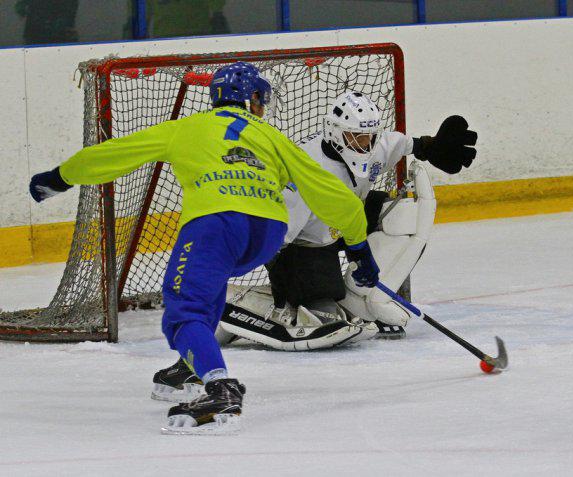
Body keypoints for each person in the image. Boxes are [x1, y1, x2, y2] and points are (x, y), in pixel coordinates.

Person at [29, 62, 379, 435]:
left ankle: (219, 387)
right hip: (267, 234)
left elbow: (115, 153)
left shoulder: (188, 128)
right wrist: (359, 249)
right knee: (207, 289)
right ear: (254, 99)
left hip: (215, 224)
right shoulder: (274, 137)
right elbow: (331, 194)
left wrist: (59, 178)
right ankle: (190, 365)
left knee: (184, 311)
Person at [149, 92, 476, 400]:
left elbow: (405, 144)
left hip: (343, 225)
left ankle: (371, 296)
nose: (366, 144)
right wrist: (280, 276)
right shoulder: (307, 170)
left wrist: (432, 146)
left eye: (369, 137)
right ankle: (241, 311)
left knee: (401, 213)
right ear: (336, 134)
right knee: (322, 304)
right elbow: (278, 236)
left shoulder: (374, 145)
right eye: (357, 138)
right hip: (302, 244)